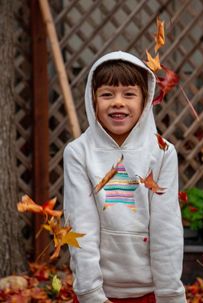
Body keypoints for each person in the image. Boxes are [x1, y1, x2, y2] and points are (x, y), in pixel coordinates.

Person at [63, 51, 187, 303]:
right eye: (107, 94)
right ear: (92, 99)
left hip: (150, 292)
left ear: (145, 100)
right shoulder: (79, 152)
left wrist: (170, 294)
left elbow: (167, 228)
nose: (118, 102)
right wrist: (89, 294)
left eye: (129, 94)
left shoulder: (162, 152)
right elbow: (81, 226)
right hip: (98, 291)